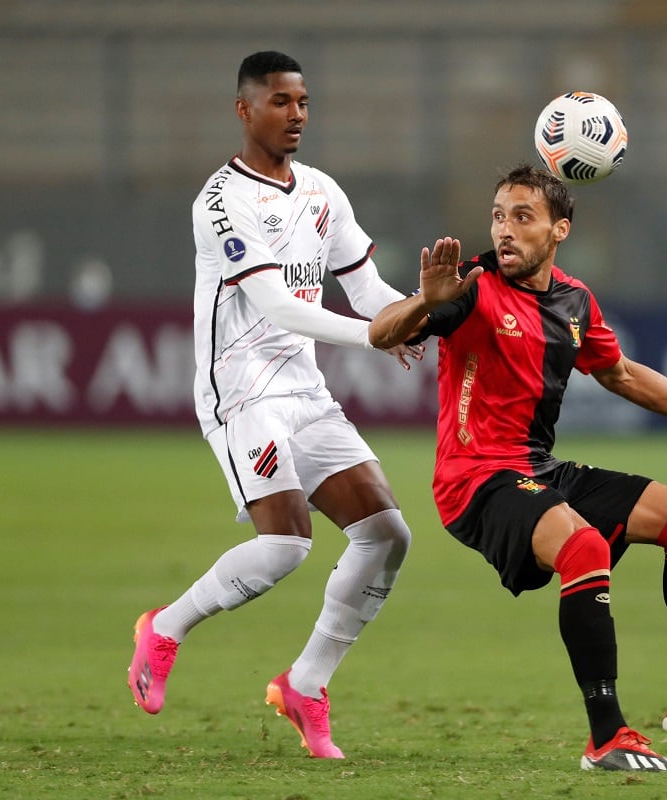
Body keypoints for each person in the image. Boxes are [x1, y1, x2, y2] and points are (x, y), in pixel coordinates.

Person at [368, 163, 667, 772]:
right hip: (476, 480)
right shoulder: (469, 286)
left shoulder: (575, 301)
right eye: (498, 216)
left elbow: (622, 375)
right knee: (583, 547)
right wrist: (422, 304)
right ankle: (607, 736)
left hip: (538, 470)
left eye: (523, 217)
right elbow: (381, 334)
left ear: (559, 229)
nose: (505, 231)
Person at [127, 50, 420, 760]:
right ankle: (164, 628)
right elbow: (278, 305)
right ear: (245, 109)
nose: (297, 116)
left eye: (304, 102)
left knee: (387, 535)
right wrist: (375, 335)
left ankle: (306, 684)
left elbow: (368, 290)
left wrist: (425, 312)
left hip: (304, 390)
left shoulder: (322, 192)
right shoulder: (221, 200)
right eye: (282, 102)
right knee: (286, 544)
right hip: (242, 390)